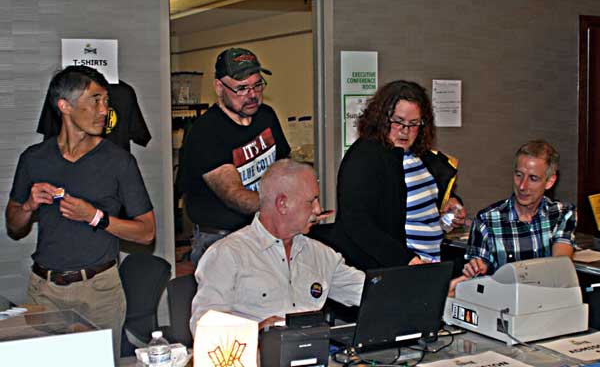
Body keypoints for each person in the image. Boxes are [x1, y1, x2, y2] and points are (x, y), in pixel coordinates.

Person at [5, 66, 156, 356]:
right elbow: (13, 225)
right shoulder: (34, 159)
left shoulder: (119, 161)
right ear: (65, 106)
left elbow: (147, 233)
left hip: (99, 292)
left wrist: (95, 217)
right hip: (44, 291)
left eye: (107, 101)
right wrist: (28, 205)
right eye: (96, 100)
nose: (105, 110)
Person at [189, 159, 365, 333]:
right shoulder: (227, 255)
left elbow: (371, 292)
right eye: (311, 201)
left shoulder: (321, 254)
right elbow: (203, 327)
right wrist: (256, 332)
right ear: (282, 204)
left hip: (313, 354)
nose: (318, 210)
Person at [332, 80, 466, 270]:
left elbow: (428, 196)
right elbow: (358, 223)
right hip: (395, 269)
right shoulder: (365, 157)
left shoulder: (422, 156)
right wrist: (406, 260)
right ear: (381, 118)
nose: (405, 131)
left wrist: (450, 201)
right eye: (398, 122)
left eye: (413, 124)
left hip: (429, 262)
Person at [180, 48, 290, 266]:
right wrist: (284, 205)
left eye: (257, 85)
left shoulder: (266, 116)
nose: (252, 95)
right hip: (221, 238)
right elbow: (234, 195)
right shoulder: (206, 132)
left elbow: (284, 167)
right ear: (219, 87)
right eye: (241, 88)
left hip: (264, 229)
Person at [463, 139, 576, 277]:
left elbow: (560, 266)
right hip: (505, 296)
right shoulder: (487, 219)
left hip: (548, 295)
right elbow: (477, 270)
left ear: (550, 181)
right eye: (519, 175)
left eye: (533, 178)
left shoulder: (561, 213)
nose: (522, 186)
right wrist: (477, 267)